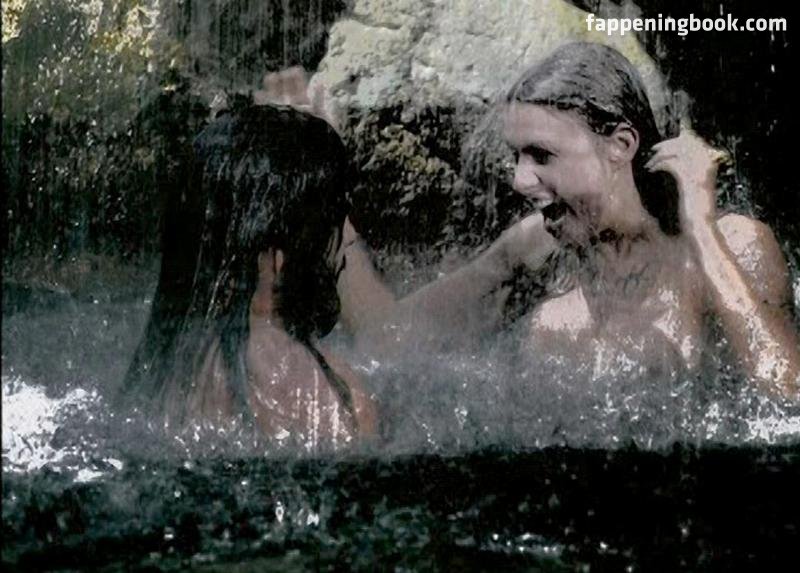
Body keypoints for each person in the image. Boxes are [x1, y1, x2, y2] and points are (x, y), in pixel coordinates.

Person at [337, 42, 800, 400]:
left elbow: (788, 397)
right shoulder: (539, 265)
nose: (519, 180)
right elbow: (389, 343)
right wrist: (327, 194)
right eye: (516, 157)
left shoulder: (734, 244)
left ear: (620, 145)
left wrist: (700, 227)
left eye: (541, 155)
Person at [120, 103, 377, 449]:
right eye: (333, 220)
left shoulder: (163, 370)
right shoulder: (330, 390)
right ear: (278, 256)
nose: (342, 243)